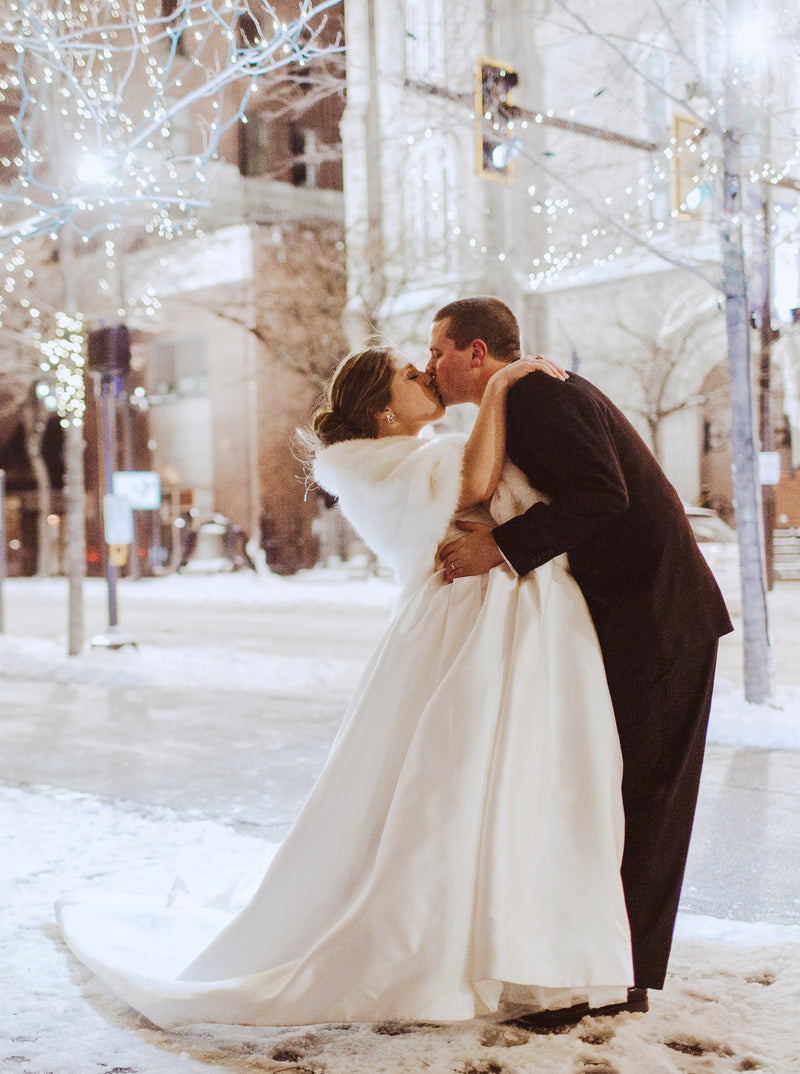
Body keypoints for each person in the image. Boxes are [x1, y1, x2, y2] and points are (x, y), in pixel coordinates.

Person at [56, 346, 634, 1030]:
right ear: (387, 410)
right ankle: (508, 936)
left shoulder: (368, 471)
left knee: (453, 782)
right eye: (411, 376)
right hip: (482, 616)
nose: (426, 374)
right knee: (498, 776)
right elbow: (483, 490)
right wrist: (504, 383)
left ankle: (493, 937)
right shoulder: (432, 457)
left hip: (440, 619)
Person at [426, 296, 734, 1012]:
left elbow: (604, 495)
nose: (430, 364)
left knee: (649, 801)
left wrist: (498, 548)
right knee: (622, 796)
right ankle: (604, 970)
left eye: (438, 348)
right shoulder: (522, 394)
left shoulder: (536, 393)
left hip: (661, 617)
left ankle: (623, 984)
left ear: (476, 352)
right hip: (639, 615)